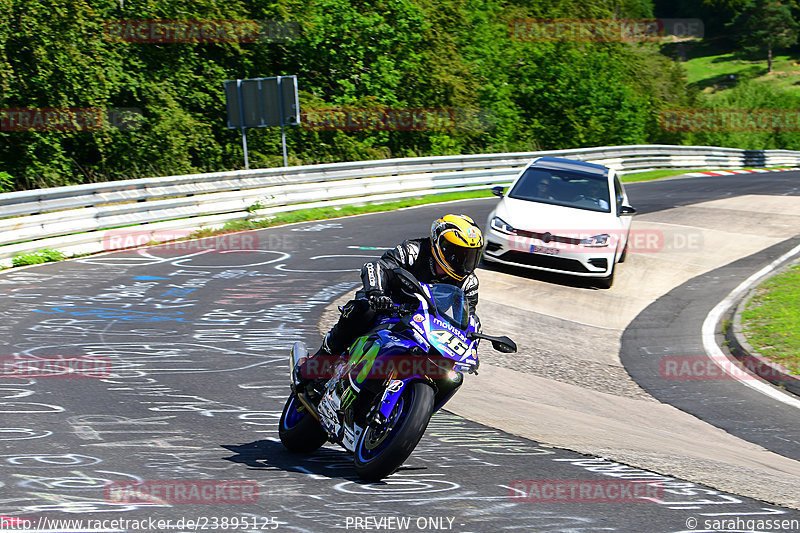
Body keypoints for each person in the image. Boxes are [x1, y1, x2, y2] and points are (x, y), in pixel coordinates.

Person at [296, 214, 484, 384]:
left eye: (469, 256)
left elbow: (468, 317)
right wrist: (377, 293)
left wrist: (471, 344)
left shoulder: (469, 282)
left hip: (425, 320)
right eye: (456, 253)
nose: (462, 262)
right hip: (387, 303)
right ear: (438, 245)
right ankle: (318, 364)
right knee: (362, 311)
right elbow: (377, 266)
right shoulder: (413, 251)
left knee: (452, 375)